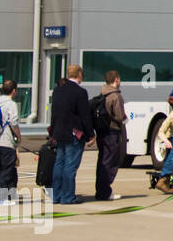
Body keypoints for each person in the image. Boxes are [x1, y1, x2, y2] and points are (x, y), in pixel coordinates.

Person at [49, 65, 94, 204]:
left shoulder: (57, 90)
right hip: (74, 133)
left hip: (59, 132)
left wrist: (53, 132)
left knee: (59, 163)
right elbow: (85, 115)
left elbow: (54, 112)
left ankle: (56, 195)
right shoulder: (80, 92)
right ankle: (67, 196)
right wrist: (91, 134)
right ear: (79, 74)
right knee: (70, 165)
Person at [94, 71, 126, 201]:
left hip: (102, 131)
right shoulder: (115, 96)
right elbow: (119, 116)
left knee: (102, 161)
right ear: (116, 79)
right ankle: (105, 191)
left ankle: (100, 190)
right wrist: (125, 120)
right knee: (110, 162)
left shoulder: (102, 93)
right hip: (112, 132)